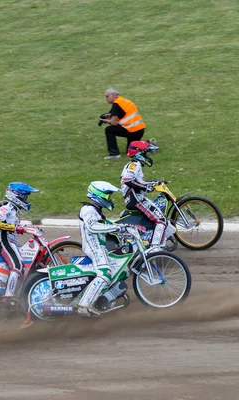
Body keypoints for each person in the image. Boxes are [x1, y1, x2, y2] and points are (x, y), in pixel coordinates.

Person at [75, 181, 128, 315]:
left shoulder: (96, 210)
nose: (109, 199)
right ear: (99, 195)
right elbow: (93, 227)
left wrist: (126, 228)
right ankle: (84, 306)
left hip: (100, 246)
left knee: (123, 269)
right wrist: (116, 228)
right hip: (94, 247)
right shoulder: (88, 210)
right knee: (105, 274)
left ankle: (104, 297)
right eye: (108, 196)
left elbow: (105, 223)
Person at [0, 182, 39, 306]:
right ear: (16, 196)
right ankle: (8, 297)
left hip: (10, 242)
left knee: (26, 263)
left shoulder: (13, 209)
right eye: (25, 197)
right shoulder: (6, 207)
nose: (26, 200)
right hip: (4, 241)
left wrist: (26, 228)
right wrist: (16, 228)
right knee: (17, 265)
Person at [120, 140, 175, 249]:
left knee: (158, 216)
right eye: (146, 153)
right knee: (161, 220)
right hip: (136, 199)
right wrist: (146, 187)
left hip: (136, 198)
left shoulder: (135, 165)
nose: (148, 155)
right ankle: (155, 248)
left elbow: (138, 182)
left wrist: (154, 183)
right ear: (139, 153)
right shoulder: (134, 165)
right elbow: (128, 180)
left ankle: (156, 240)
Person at [99, 88, 146, 160]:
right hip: (139, 130)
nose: (106, 98)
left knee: (109, 130)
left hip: (131, 130)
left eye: (107, 96)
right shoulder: (123, 101)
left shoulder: (116, 104)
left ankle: (114, 154)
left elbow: (113, 123)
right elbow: (118, 115)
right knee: (130, 151)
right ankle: (149, 145)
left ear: (112, 95)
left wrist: (105, 121)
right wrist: (109, 117)